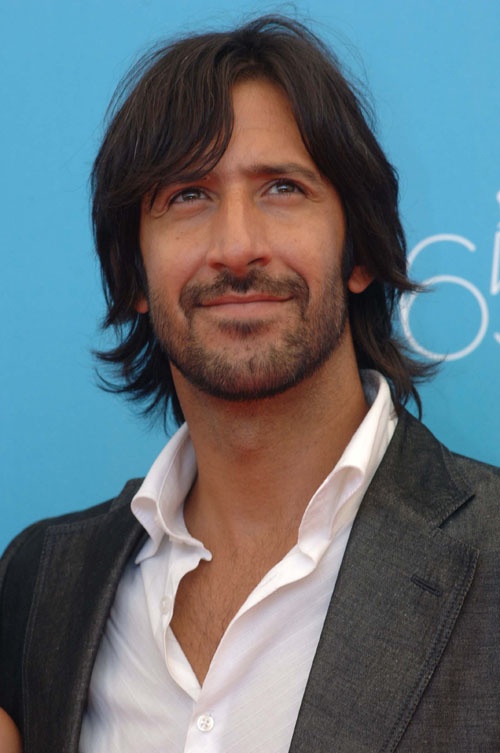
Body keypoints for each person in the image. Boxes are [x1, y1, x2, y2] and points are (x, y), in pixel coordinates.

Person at [1, 14, 499, 753]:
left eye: (282, 188)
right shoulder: (38, 584)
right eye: (188, 196)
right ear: (133, 273)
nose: (236, 247)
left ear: (359, 252)